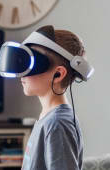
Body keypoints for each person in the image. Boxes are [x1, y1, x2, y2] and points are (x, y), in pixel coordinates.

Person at [20, 25, 86, 170]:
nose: (22, 73)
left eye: (30, 64)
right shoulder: (49, 117)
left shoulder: (57, 123)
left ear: (58, 74)